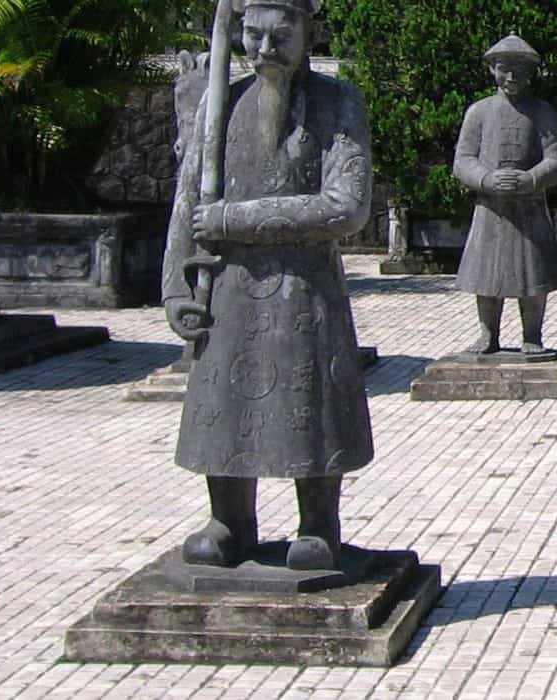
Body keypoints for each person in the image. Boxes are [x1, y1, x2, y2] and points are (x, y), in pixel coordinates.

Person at [165, 0, 375, 570]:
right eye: (251, 36)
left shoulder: (338, 104)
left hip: (305, 287)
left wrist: (234, 220)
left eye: (279, 36)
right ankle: (230, 519)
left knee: (309, 402)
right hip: (228, 286)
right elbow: (188, 202)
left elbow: (347, 206)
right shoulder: (220, 103)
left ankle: (318, 523)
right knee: (225, 405)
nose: (263, 50)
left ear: (308, 32)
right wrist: (175, 288)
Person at [454, 34, 557, 355]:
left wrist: (531, 179)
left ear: (531, 73)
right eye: (503, 69)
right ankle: (487, 334)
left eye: (519, 70)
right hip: (491, 207)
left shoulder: (542, 112)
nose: (511, 77)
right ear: (492, 69)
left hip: (529, 207)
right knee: (487, 275)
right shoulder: (478, 112)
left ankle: (532, 336)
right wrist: (487, 179)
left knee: (532, 274)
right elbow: (462, 160)